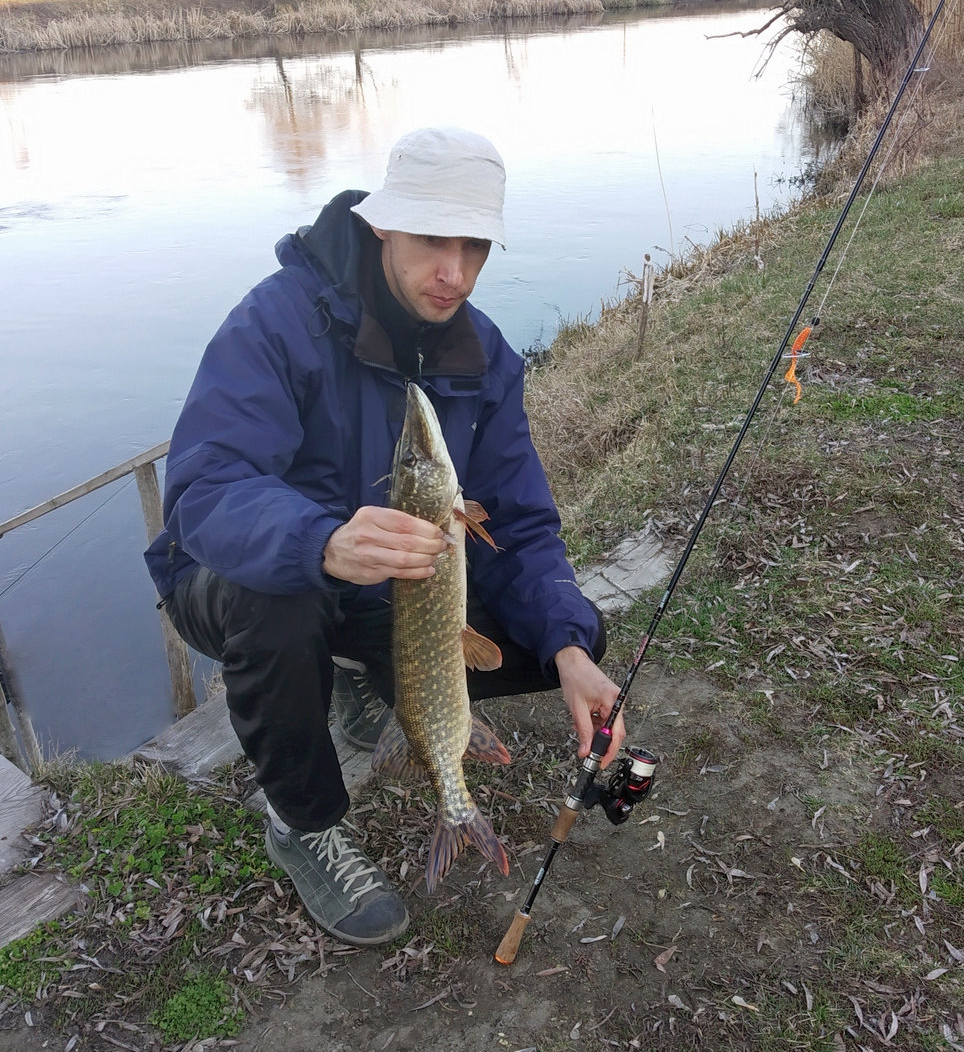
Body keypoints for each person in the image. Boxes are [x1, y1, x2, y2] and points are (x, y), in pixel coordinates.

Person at [144, 127, 626, 947]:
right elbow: (204, 486)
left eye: (474, 247)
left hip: (393, 592)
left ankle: (365, 675)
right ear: (382, 226)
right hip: (233, 576)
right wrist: (321, 541)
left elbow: (518, 525)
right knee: (283, 603)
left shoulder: (483, 355)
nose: (455, 274)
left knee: (562, 636)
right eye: (434, 240)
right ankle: (303, 822)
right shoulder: (278, 321)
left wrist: (572, 649)